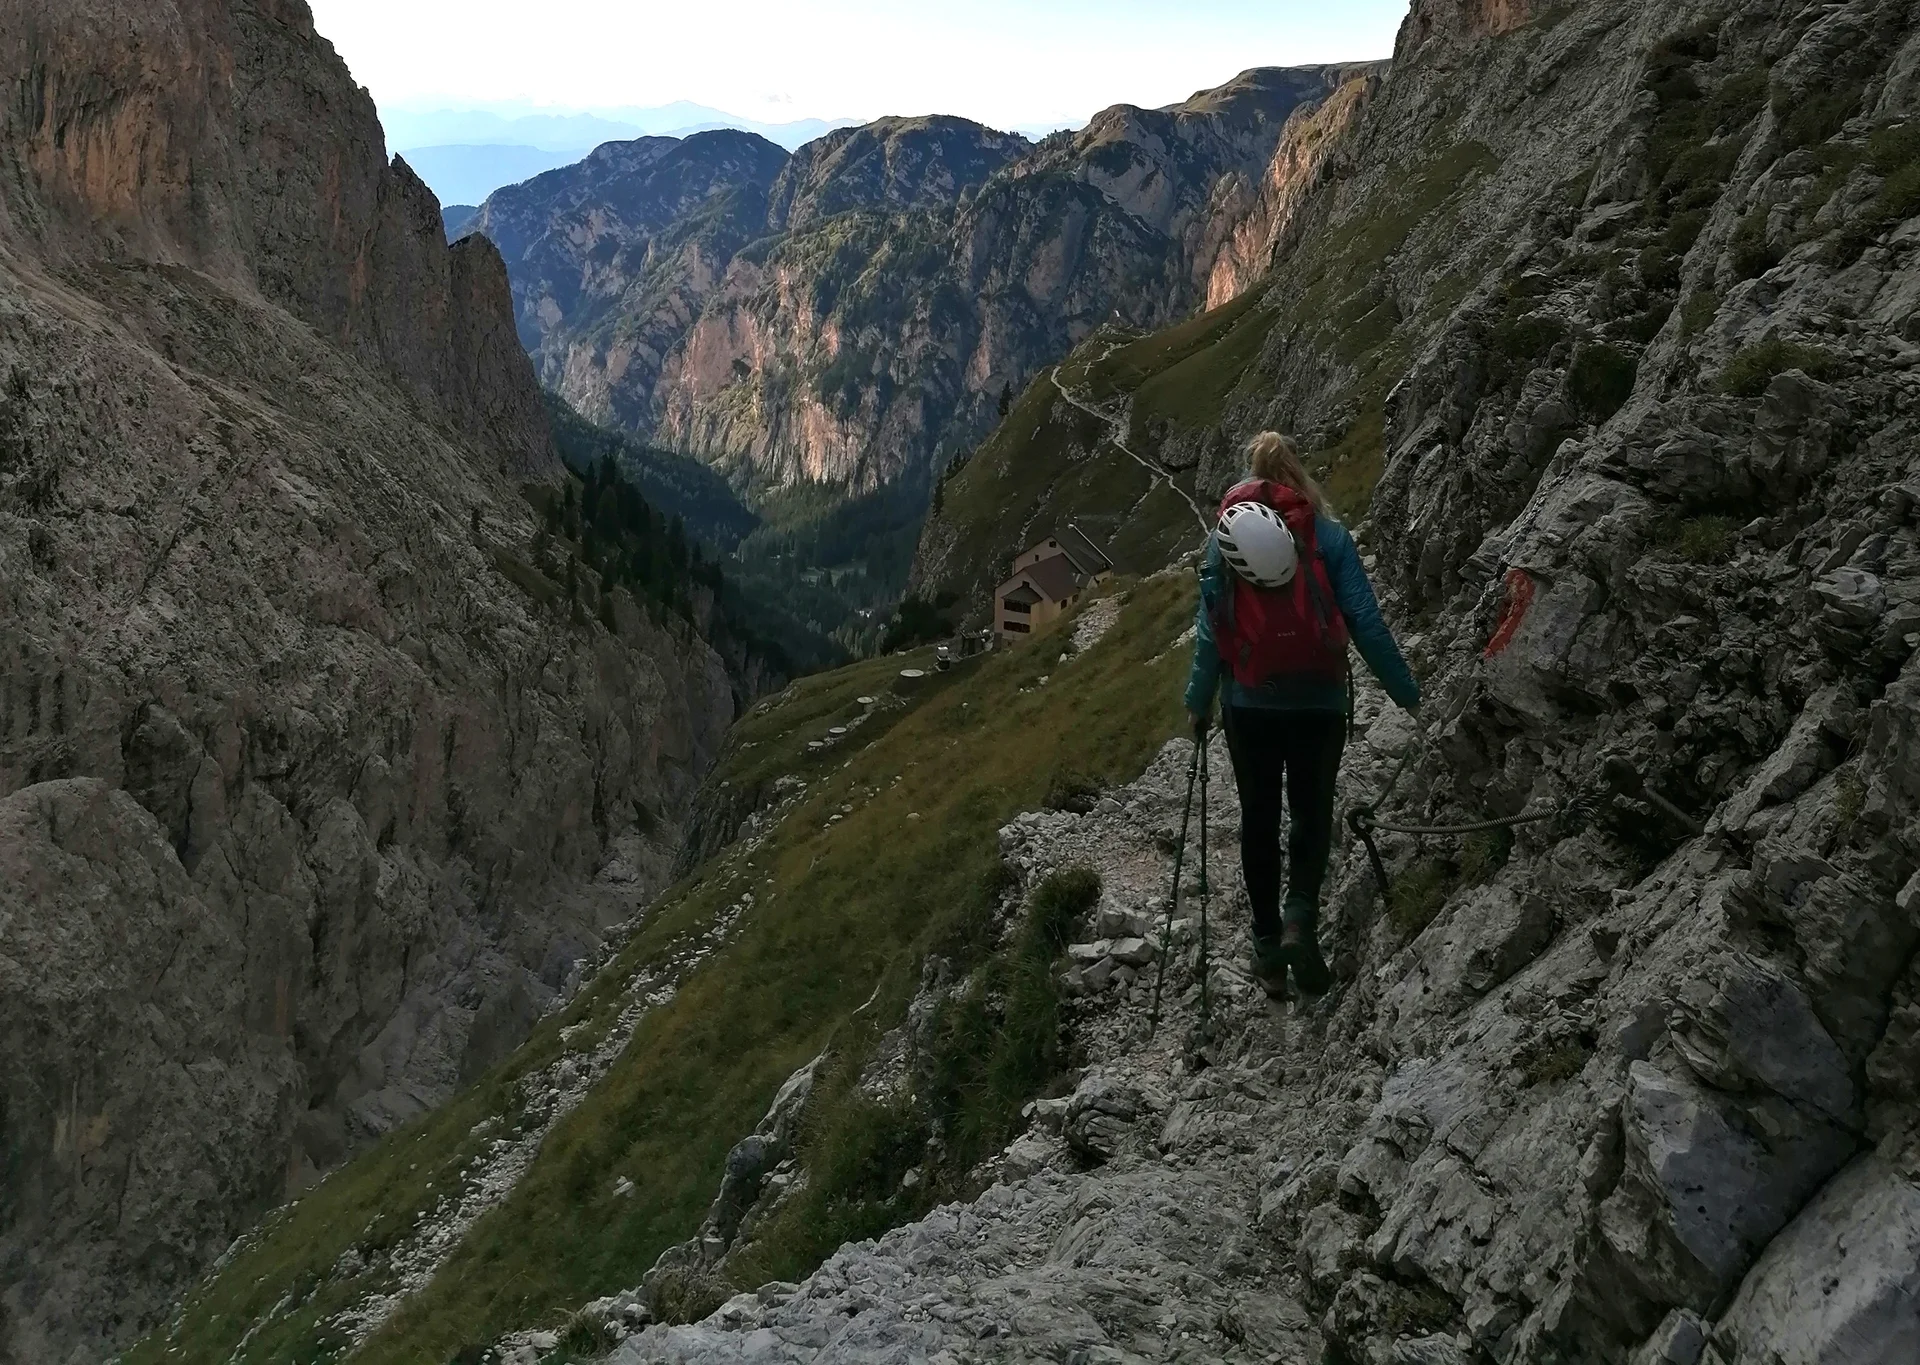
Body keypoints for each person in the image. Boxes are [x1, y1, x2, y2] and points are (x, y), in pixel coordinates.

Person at [1184, 431, 1421, 996]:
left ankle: (1267, 950)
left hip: (1249, 705)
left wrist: (1197, 705)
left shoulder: (1227, 544)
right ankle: (1299, 918)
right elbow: (1365, 622)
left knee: (1258, 820)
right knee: (1311, 815)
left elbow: (1209, 633)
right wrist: (1409, 696)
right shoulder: (1328, 538)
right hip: (1319, 702)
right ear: (1297, 476)